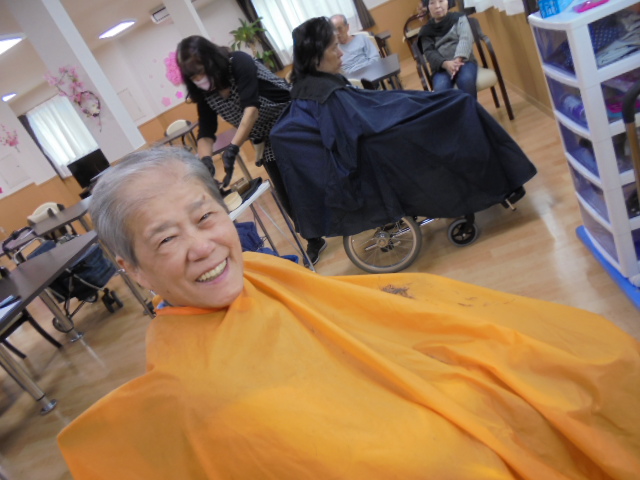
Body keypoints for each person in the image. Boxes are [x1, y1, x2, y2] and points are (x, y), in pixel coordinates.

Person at [57, 147, 640, 479]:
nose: (203, 246)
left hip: (395, 371)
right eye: (166, 239)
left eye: (205, 217)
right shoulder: (193, 391)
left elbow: (353, 317)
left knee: (583, 356)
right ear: (133, 269)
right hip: (397, 447)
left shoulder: (259, 270)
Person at [270, 17, 532, 240]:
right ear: (315, 55)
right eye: (333, 48)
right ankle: (497, 182)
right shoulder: (324, 93)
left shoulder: (315, 83)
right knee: (459, 107)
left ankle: (497, 180)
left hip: (381, 121)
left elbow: (363, 113)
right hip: (382, 139)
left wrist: (405, 104)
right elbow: (353, 133)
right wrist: (406, 111)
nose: (341, 54)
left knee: (456, 102)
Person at [176, 35, 327, 265]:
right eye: (193, 76)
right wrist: (205, 161)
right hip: (266, 138)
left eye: (200, 72)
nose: (199, 80)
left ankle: (350, 214)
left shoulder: (238, 62)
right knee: (287, 194)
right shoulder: (206, 93)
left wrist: (233, 148)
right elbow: (205, 132)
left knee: (317, 176)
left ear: (211, 61)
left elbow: (251, 110)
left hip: (292, 120)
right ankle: (314, 239)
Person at [418, 0, 478, 98]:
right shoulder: (425, 31)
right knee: (441, 89)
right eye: (432, 3)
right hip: (440, 69)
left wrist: (457, 60)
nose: (437, 6)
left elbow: (466, 38)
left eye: (441, 1)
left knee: (466, 80)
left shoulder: (459, 18)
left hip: (464, 62)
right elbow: (429, 52)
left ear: (448, 2)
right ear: (427, 6)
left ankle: (471, 108)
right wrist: (445, 64)